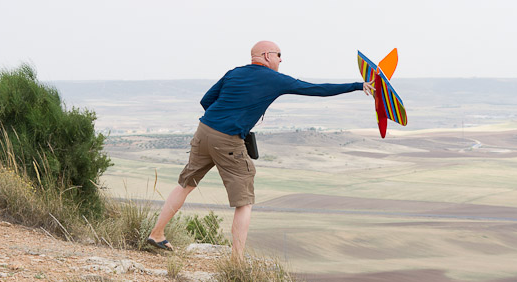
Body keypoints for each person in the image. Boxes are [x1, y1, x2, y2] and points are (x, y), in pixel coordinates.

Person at [147, 41, 375, 259]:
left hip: (204, 130)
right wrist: (357, 85)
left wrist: (226, 115)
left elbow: (207, 100)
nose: (281, 60)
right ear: (267, 56)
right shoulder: (274, 79)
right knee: (244, 201)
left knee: (186, 183)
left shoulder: (234, 73)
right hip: (227, 139)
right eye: (278, 55)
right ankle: (237, 262)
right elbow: (315, 89)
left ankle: (157, 234)